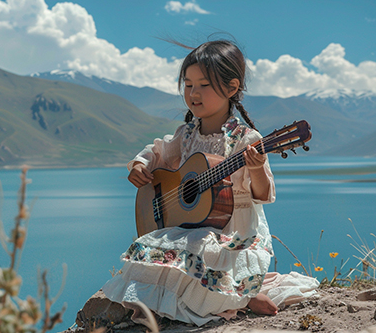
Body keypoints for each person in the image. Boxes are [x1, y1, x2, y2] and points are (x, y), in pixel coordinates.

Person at [101, 39, 318, 326]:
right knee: (150, 247)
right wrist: (141, 164)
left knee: (193, 252)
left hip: (234, 234)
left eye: (203, 85)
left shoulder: (247, 139)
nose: (193, 93)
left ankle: (242, 297)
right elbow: (159, 151)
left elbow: (263, 195)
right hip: (190, 229)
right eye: (188, 85)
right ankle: (234, 294)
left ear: (231, 88)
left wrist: (255, 169)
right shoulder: (187, 135)